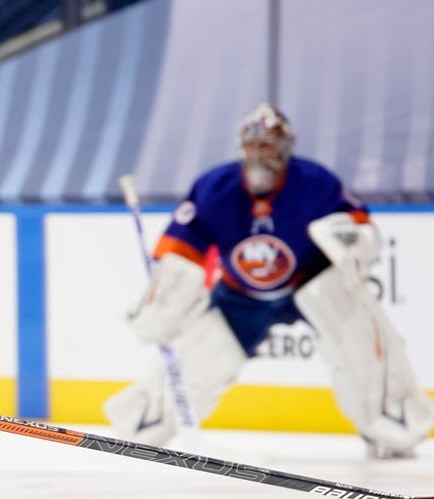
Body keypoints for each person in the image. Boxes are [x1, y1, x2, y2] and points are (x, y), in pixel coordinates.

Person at [104, 104, 433, 459]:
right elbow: (181, 251)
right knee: (197, 357)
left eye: (269, 146)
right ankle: (143, 425)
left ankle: (390, 426)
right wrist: (164, 301)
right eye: (253, 145)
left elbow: (361, 229)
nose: (260, 154)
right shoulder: (215, 187)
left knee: (362, 349)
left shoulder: (316, 183)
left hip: (313, 286)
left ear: (286, 148)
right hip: (240, 297)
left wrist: (354, 247)